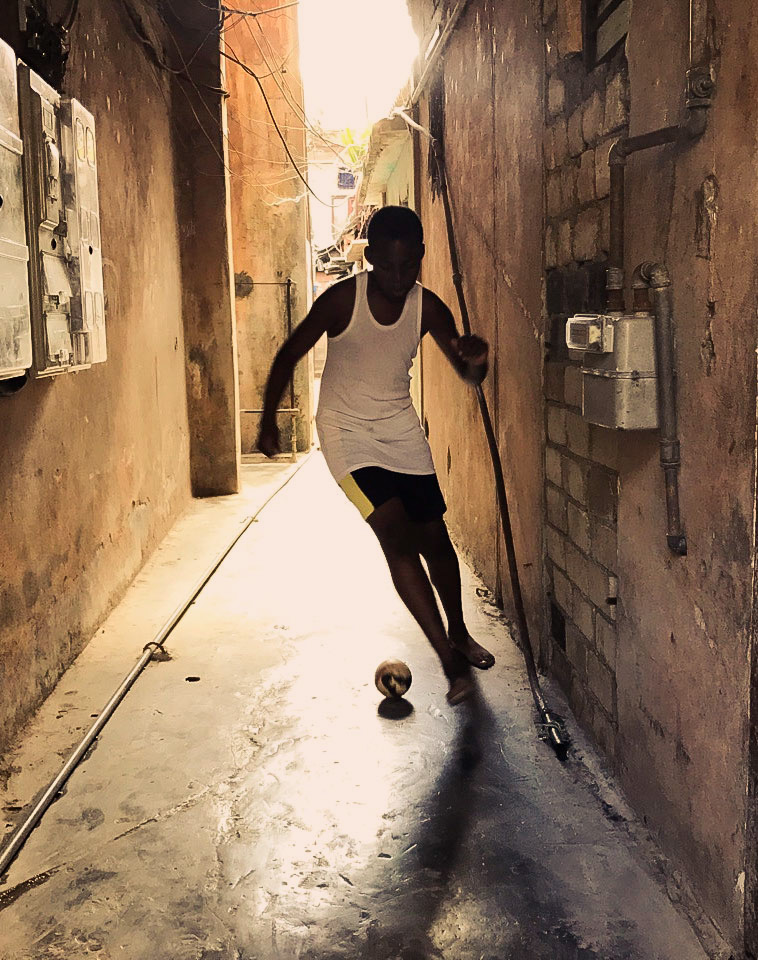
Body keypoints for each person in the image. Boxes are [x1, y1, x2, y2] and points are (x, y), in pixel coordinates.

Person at [257, 206, 494, 705]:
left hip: (400, 430)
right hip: (346, 434)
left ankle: (459, 632)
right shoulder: (343, 300)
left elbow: (468, 376)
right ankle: (449, 663)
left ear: (421, 259)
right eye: (385, 265)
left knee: (436, 539)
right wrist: (267, 419)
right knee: (396, 536)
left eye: (407, 267)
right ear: (369, 258)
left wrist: (477, 360)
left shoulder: (428, 308)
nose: (396, 277)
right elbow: (288, 354)